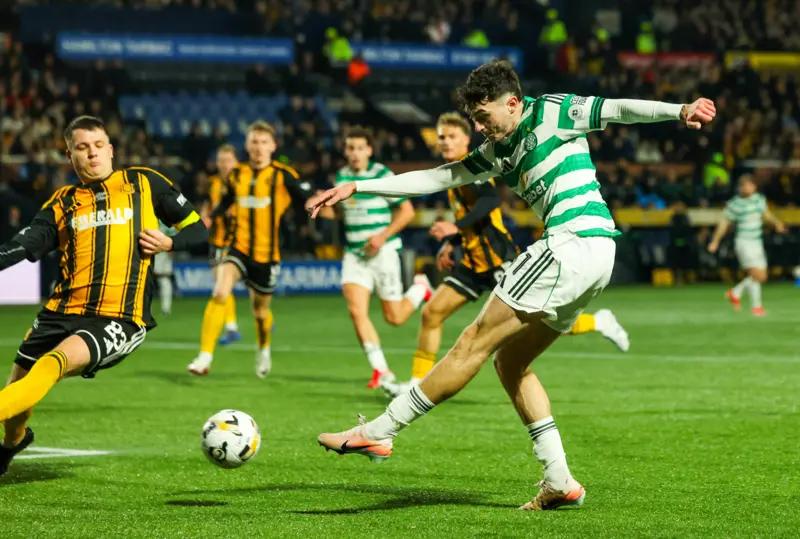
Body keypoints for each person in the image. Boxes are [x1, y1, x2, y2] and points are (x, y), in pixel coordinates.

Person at [306, 60, 715, 510]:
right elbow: (439, 177)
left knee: (470, 345)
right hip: (596, 255)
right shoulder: (497, 150)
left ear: (513, 103)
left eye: (484, 117)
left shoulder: (554, 110)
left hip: (571, 243)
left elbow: (617, 108)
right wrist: (360, 188)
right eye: (475, 119)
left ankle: (379, 432)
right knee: (511, 363)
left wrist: (680, 110)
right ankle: (559, 480)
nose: (480, 128)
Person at [0, 115, 207, 476]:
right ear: (70, 156)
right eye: (82, 148)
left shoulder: (143, 182)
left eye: (98, 146)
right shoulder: (63, 202)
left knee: (50, 367)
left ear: (111, 149)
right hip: (59, 312)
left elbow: (199, 229)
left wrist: (170, 242)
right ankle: (10, 444)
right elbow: (24, 245)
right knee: (18, 392)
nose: (92, 153)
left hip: (118, 317)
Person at [383, 112, 629, 397]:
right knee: (432, 313)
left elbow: (490, 201)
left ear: (466, 139)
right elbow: (471, 218)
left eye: (452, 136)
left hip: (498, 259)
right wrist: (453, 241)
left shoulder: (474, 169)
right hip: (472, 261)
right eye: (441, 137)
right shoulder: (454, 174)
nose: (446, 142)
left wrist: (455, 227)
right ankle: (416, 381)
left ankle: (599, 321)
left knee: (539, 321)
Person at [187, 121, 314, 378]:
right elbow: (226, 201)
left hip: (267, 255)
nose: (258, 147)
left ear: (273, 146)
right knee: (220, 291)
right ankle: (205, 356)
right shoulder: (237, 174)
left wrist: (317, 203)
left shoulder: (283, 175)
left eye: (264, 142)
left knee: (260, 313)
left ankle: (264, 349)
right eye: (254, 141)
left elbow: (304, 199)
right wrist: (211, 217)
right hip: (238, 248)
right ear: (247, 145)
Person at [335, 127, 432, 388]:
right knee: (356, 311)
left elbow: (407, 211)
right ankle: (381, 370)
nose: (355, 153)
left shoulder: (382, 175)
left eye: (360, 148)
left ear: (369, 150)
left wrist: (382, 236)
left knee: (395, 318)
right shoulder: (342, 176)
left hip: (384, 253)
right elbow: (342, 213)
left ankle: (420, 289)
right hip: (355, 254)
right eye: (350, 148)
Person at [708, 174, 785, 316]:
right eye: (744, 185)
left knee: (761, 276)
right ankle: (748, 301)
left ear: (754, 186)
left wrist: (777, 223)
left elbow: (766, 215)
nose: (747, 188)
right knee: (757, 275)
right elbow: (724, 223)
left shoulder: (759, 200)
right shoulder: (734, 204)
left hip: (757, 241)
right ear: (740, 188)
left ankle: (745, 300)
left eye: (749, 185)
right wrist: (715, 241)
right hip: (744, 242)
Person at [202, 144, 241, 345]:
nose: (224, 164)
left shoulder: (243, 182)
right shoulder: (213, 183)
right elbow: (207, 205)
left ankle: (237, 326)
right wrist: (204, 218)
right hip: (217, 241)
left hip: (237, 241)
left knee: (222, 285)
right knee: (222, 285)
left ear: (236, 162)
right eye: (221, 160)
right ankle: (233, 327)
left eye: (228, 160)